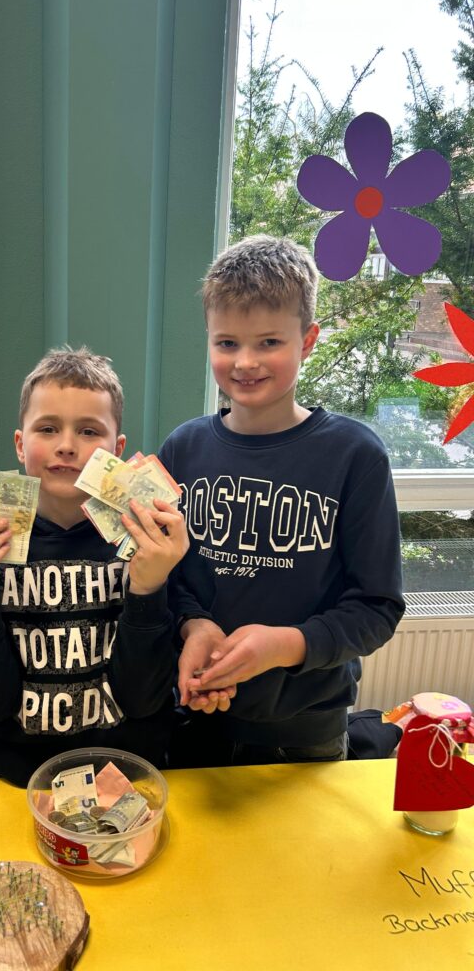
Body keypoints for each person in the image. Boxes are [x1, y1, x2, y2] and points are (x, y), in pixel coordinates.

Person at [159, 235, 405, 767]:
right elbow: (164, 576)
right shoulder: (181, 449)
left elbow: (377, 606)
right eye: (227, 343)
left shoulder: (356, 456)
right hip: (193, 718)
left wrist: (284, 645)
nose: (245, 362)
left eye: (269, 342)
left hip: (306, 733)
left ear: (307, 340)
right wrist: (192, 625)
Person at [0, 346, 188, 786]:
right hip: (14, 776)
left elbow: (143, 699)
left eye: (88, 431)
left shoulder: (144, 544)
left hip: (127, 775)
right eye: (47, 428)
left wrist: (149, 589)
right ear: (20, 444)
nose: (66, 445)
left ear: (117, 450)